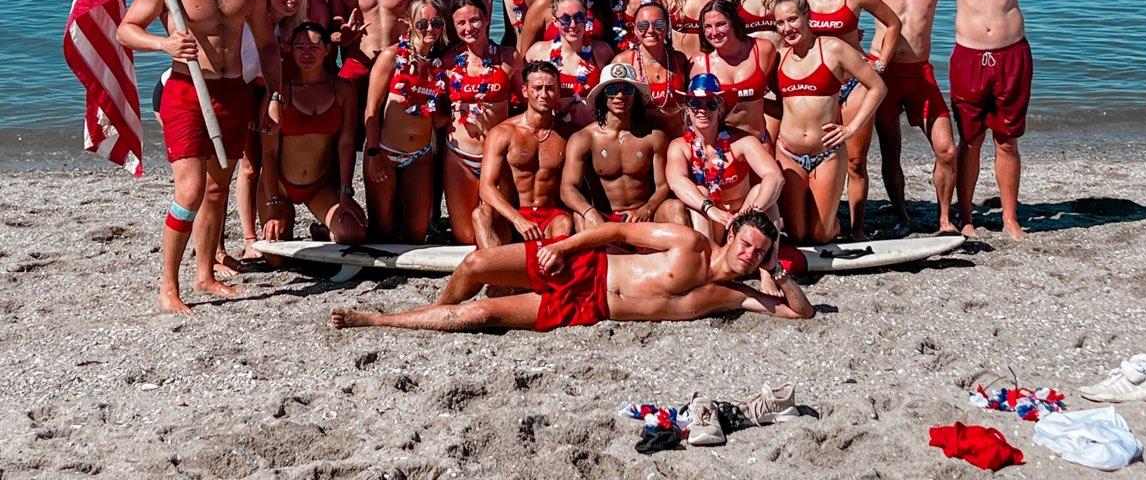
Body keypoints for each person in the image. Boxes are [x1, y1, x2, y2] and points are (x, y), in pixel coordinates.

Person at [936, 0, 1146, 239]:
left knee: (1007, 140)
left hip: (1012, 54)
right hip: (968, 55)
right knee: (970, 140)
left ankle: (1010, 218)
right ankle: (966, 217)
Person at [118, 0, 283, 314]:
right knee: (190, 190)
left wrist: (273, 95)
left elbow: (267, 46)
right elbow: (126, 29)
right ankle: (168, 287)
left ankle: (205, 274)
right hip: (187, 91)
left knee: (216, 188)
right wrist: (164, 44)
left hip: (234, 93)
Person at [329, 210, 815, 333]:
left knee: (482, 315)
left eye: (759, 253)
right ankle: (432, 309)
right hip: (588, 267)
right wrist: (561, 247)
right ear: (731, 235)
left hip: (590, 309)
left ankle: (378, 320)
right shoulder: (688, 242)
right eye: (746, 244)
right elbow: (614, 231)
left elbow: (801, 314)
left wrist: (779, 271)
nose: (749, 255)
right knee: (475, 263)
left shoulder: (734, 295)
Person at [857, 0, 959, 235]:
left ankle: (945, 220)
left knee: (947, 150)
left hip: (919, 73)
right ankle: (902, 216)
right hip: (882, 72)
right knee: (891, 151)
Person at [804, 0, 903, 234]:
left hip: (853, 85)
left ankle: (857, 229)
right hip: (816, 88)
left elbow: (893, 23)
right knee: (816, 155)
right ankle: (820, 219)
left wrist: (880, 63)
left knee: (856, 161)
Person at [772, 0, 885, 243]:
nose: (787, 28)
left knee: (821, 235)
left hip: (826, 154)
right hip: (788, 153)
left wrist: (851, 128)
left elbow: (877, 87)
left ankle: (834, 224)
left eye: (792, 19)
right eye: (780, 23)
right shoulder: (778, 55)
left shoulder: (833, 48)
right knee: (798, 235)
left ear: (807, 16)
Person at [259, 22, 366, 247]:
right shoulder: (279, 93)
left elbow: (346, 143)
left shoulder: (343, 89)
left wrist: (345, 193)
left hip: (318, 185)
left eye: (314, 47)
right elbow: (268, 152)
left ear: (327, 49)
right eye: (300, 47)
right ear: (291, 50)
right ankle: (288, 217)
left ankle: (322, 230)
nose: (306, 53)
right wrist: (272, 202)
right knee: (276, 254)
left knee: (352, 234)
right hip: (280, 186)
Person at [233, 0, 309, 264]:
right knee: (247, 167)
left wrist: (270, 97)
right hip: (234, 91)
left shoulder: (283, 28)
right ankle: (248, 238)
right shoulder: (248, 21)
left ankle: (251, 234)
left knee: (257, 163)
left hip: (259, 92)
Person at [363, 0, 450, 240]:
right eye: (422, 24)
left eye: (437, 23)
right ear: (409, 24)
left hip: (419, 156)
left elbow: (438, 121)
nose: (430, 29)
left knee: (417, 233)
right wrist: (373, 153)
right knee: (382, 231)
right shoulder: (391, 57)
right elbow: (371, 109)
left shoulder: (439, 66)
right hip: (385, 151)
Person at [562, 63, 688, 231]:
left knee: (674, 207)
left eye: (627, 90)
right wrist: (589, 212)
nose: (620, 96)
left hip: (644, 216)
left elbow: (663, 185)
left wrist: (648, 209)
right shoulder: (584, 138)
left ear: (636, 95)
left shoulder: (653, 136)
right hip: (605, 218)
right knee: (580, 216)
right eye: (612, 90)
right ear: (602, 96)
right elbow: (567, 188)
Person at [442, 0, 522, 244]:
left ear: (487, 19)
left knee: (499, 232)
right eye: (461, 23)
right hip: (460, 156)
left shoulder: (509, 57)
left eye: (475, 20)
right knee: (466, 237)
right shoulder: (447, 61)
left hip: (496, 155)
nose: (469, 28)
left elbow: (526, 104)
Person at [665, 75, 783, 241]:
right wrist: (710, 209)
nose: (702, 110)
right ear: (687, 108)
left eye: (711, 104)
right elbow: (676, 182)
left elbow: (775, 177)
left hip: (743, 218)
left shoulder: (742, 141)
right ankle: (708, 254)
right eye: (695, 104)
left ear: (720, 108)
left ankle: (770, 257)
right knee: (701, 192)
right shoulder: (680, 146)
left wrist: (747, 214)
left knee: (763, 194)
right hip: (711, 220)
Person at [473, 61, 573, 246]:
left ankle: (552, 261)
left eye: (550, 88)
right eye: (537, 88)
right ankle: (492, 263)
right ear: (525, 91)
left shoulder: (567, 134)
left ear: (559, 92)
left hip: (550, 216)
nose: (544, 94)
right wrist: (517, 219)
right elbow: (486, 187)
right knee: (481, 214)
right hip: (511, 215)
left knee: (564, 223)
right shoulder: (503, 133)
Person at [524, 0, 613, 129]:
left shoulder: (602, 52)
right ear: (555, 21)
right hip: (553, 133)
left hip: (589, 133)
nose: (573, 25)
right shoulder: (538, 52)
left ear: (585, 19)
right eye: (565, 19)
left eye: (579, 18)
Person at [696, 0, 779, 145]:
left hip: (759, 142)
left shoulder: (763, 50)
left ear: (734, 22)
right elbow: (693, 112)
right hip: (722, 150)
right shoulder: (699, 63)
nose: (714, 32)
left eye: (721, 24)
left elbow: (785, 97)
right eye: (707, 26)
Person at [612, 0, 689, 138]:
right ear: (635, 30)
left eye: (658, 24)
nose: (651, 30)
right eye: (643, 25)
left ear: (667, 27)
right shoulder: (623, 61)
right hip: (640, 142)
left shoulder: (679, 60)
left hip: (676, 139)